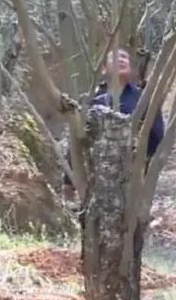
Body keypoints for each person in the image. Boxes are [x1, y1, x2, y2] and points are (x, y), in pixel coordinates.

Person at [63, 48, 165, 199]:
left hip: (131, 179)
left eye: (125, 57)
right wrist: (68, 181)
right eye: (115, 58)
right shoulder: (90, 101)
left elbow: (157, 137)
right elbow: (77, 143)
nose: (121, 60)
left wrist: (144, 171)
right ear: (104, 69)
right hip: (97, 180)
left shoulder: (143, 99)